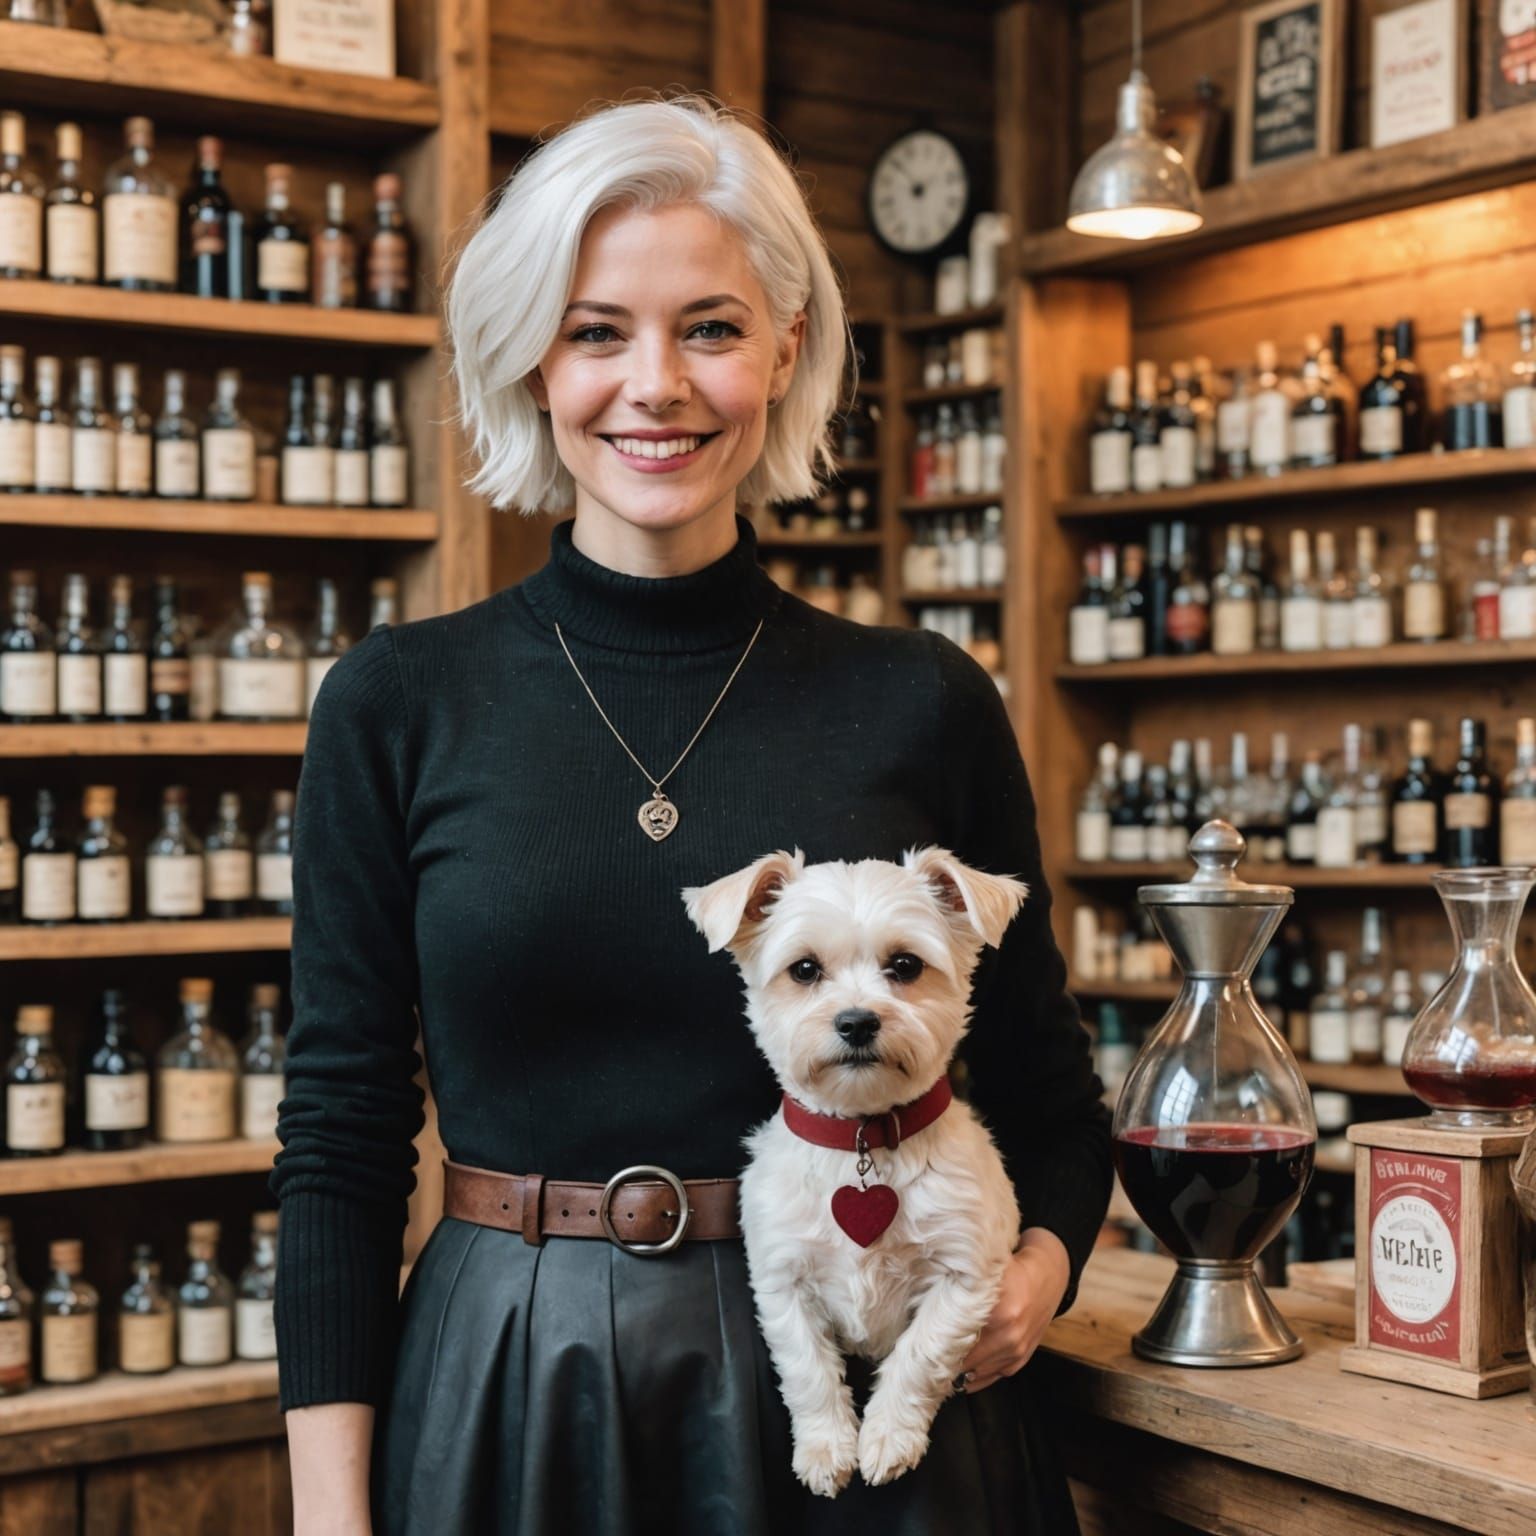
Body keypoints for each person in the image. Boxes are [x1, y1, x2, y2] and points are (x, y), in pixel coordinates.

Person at [270, 92, 1111, 1536]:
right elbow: (341, 1137)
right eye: (597, 329)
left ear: (785, 349)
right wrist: (330, 1520)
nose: (652, 382)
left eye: (709, 328)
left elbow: (1048, 1095)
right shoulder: (398, 701)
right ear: (533, 359)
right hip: (517, 1385)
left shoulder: (925, 699)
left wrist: (1028, 1287)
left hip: (863, 1409)